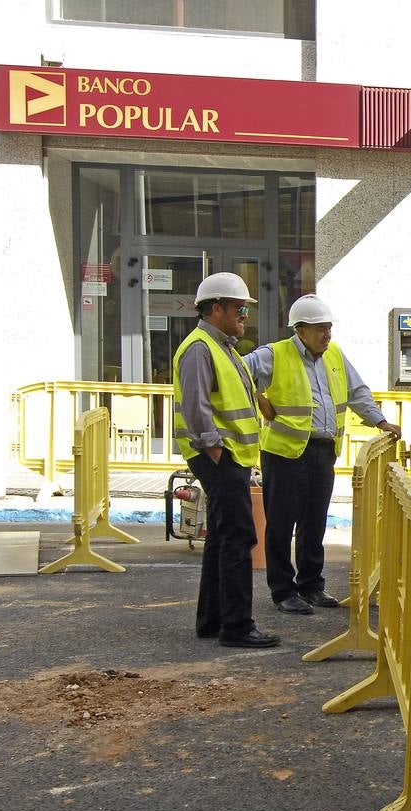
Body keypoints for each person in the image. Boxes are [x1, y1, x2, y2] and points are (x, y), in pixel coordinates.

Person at [243, 294, 401, 615]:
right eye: (320, 329)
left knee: (315, 523)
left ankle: (311, 585)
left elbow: (357, 392)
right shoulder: (274, 355)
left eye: (329, 328)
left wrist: (380, 421)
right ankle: (283, 591)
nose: (327, 335)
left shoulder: (334, 355)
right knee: (282, 524)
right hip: (285, 455)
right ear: (300, 331)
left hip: (323, 453)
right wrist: (258, 397)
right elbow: (235, 372)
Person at [171, 272, 278, 649]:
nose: (244, 316)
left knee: (220, 536)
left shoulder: (222, 346)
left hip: (228, 457)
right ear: (216, 308)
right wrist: (217, 452)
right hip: (220, 457)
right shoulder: (200, 348)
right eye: (238, 308)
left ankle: (212, 620)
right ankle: (237, 626)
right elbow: (197, 407)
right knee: (238, 537)